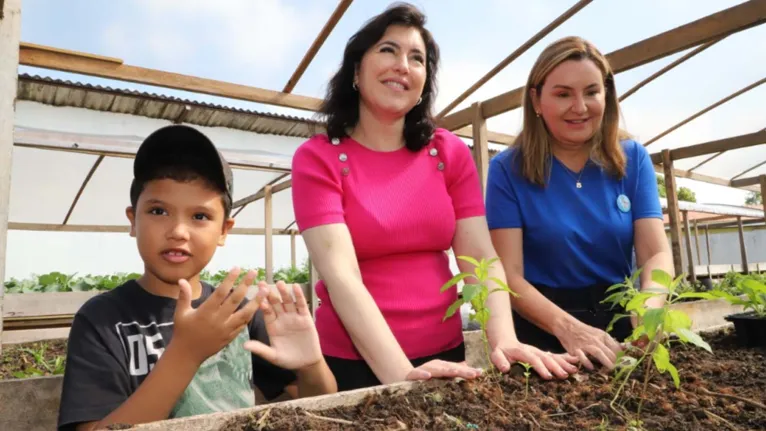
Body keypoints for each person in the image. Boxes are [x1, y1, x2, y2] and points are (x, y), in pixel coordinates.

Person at [290, 3, 579, 392]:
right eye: (388, 50)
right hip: (355, 364)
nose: (402, 65)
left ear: (425, 82)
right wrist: (400, 374)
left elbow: (481, 257)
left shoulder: (447, 153)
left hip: (447, 353)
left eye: (417, 58)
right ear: (356, 70)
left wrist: (504, 338)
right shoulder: (318, 158)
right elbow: (342, 277)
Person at [57, 125, 337, 431]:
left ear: (223, 231)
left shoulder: (239, 316)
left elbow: (319, 412)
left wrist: (311, 367)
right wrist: (186, 354)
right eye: (158, 211)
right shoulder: (102, 320)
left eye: (200, 217)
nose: (178, 231)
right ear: (133, 220)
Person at [485, 36, 673, 371]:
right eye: (562, 94)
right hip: (544, 333)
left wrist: (650, 305)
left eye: (591, 91)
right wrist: (566, 327)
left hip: (622, 324)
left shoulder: (633, 159)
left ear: (607, 95)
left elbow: (655, 252)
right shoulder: (507, 169)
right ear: (537, 100)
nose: (580, 107)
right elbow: (508, 276)